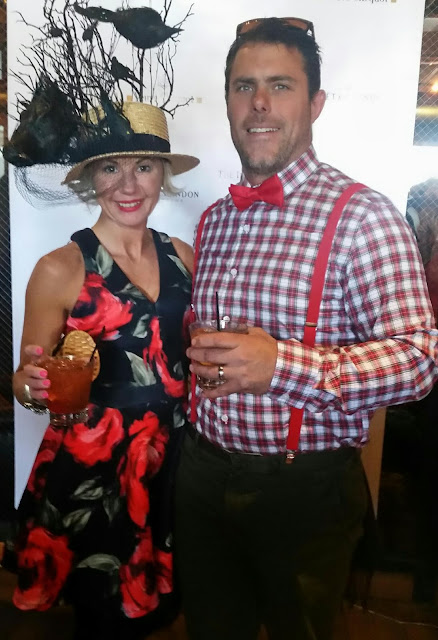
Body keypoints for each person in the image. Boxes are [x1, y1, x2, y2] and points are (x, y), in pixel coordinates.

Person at [175, 17, 438, 640]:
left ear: (315, 103)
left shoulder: (363, 216)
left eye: (280, 85)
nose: (259, 104)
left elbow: (420, 360)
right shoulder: (215, 218)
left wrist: (282, 365)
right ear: (229, 102)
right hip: (202, 471)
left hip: (304, 486)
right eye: (244, 86)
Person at [6, 101, 199, 639]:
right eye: (111, 167)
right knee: (103, 612)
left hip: (172, 458)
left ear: (162, 175)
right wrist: (31, 386)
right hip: (95, 465)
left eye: (144, 166)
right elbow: (24, 379)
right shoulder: (59, 268)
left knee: (163, 605)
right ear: (93, 177)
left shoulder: (183, 256)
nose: (128, 184)